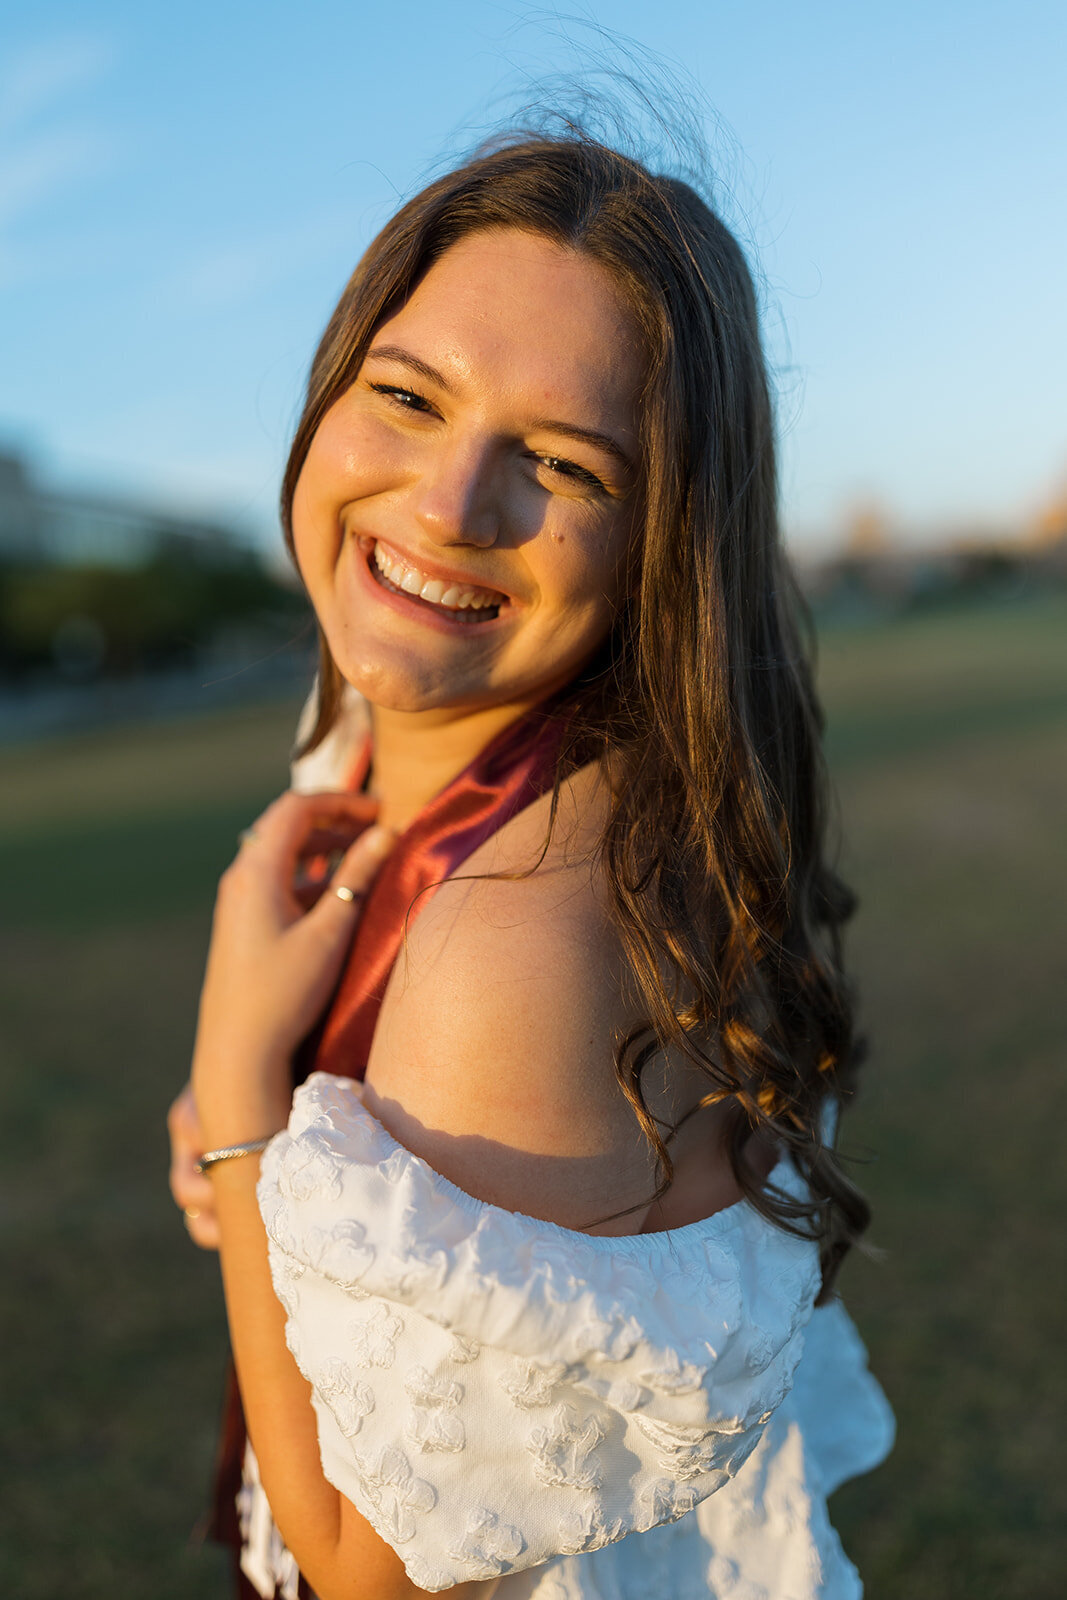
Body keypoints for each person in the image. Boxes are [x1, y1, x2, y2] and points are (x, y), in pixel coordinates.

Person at [168, 134, 894, 1599]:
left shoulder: (525, 930)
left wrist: (244, 1087)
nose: (447, 505)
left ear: (659, 547)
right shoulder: (398, 732)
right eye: (408, 396)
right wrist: (265, 1171)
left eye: (562, 463)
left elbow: (372, 1571)